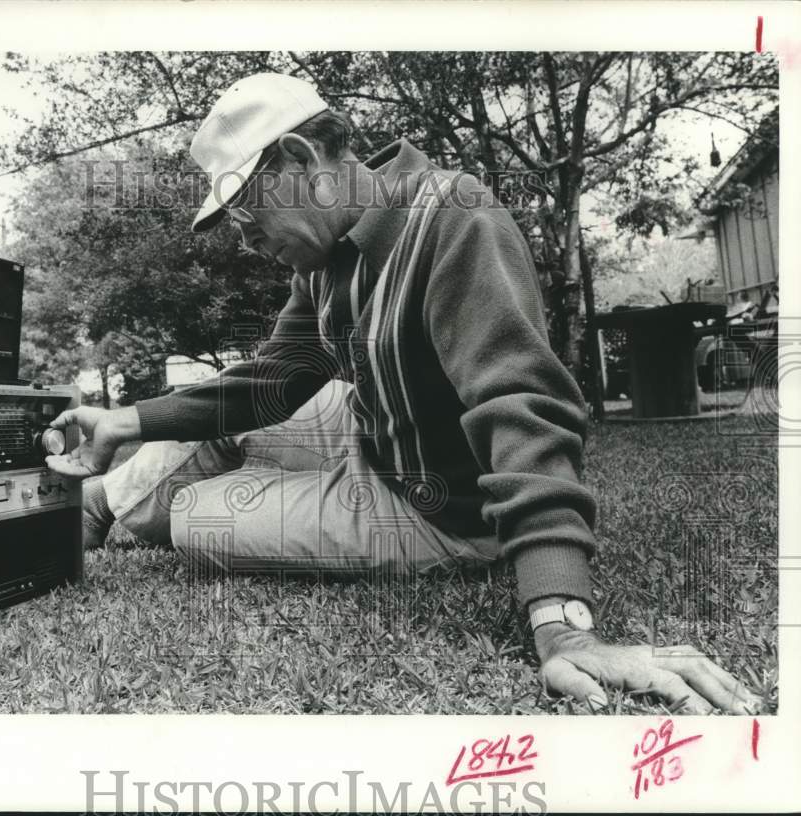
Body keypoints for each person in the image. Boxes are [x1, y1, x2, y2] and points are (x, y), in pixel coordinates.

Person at [46, 72, 759, 714]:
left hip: (440, 510)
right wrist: (126, 421)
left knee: (197, 516)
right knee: (235, 427)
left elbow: (520, 402)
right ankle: (99, 503)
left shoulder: (456, 216)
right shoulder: (325, 264)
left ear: (300, 162)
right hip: (375, 428)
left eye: (244, 214)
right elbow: (273, 382)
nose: (245, 240)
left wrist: (563, 625)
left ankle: (146, 508)